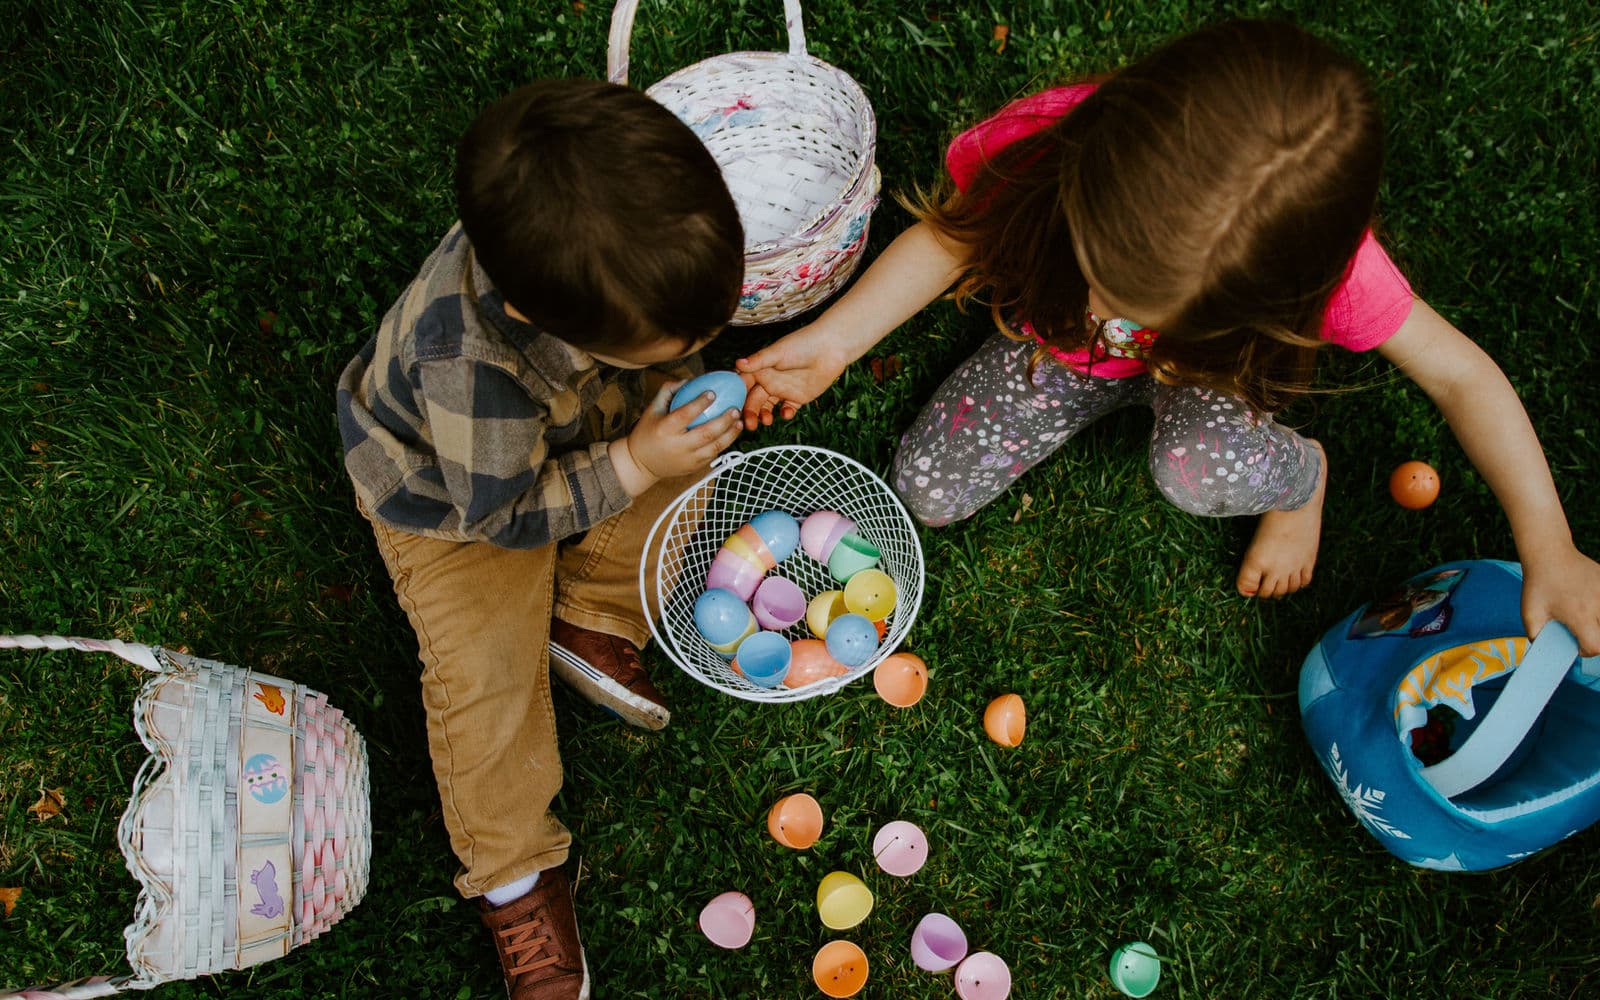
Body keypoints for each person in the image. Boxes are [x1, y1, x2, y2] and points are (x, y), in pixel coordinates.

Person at [735, 18, 1600, 656]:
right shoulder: (1056, 139)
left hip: (1211, 381)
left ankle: (1301, 479)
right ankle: (1103, 386)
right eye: (1096, 262)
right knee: (924, 490)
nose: (1104, 302)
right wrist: (837, 341)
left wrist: (1550, 545)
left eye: (1142, 301)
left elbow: (1463, 377)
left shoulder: (1336, 274)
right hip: (1058, 352)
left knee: (1195, 470)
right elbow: (952, 238)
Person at [336, 78, 744, 1000]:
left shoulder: (589, 250)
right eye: (674, 337)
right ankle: (514, 872)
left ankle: (590, 615)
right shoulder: (471, 365)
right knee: (485, 676)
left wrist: (668, 405)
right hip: (457, 504)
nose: (702, 342)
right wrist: (634, 462)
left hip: (580, 421)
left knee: (695, 451)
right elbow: (503, 514)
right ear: (540, 320)